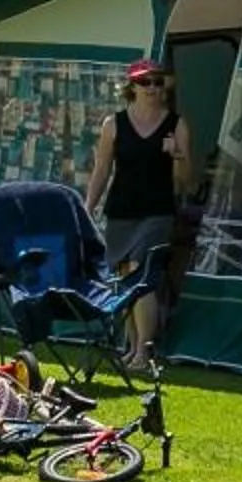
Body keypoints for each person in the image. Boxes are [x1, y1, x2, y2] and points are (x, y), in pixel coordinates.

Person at [86, 60, 193, 375]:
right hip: (120, 214)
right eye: (145, 82)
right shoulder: (113, 125)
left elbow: (186, 179)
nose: (152, 89)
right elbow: (102, 169)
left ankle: (144, 352)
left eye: (158, 83)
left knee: (143, 279)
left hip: (157, 213)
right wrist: (87, 205)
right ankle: (131, 348)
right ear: (131, 87)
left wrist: (177, 154)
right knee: (125, 280)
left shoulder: (176, 124)